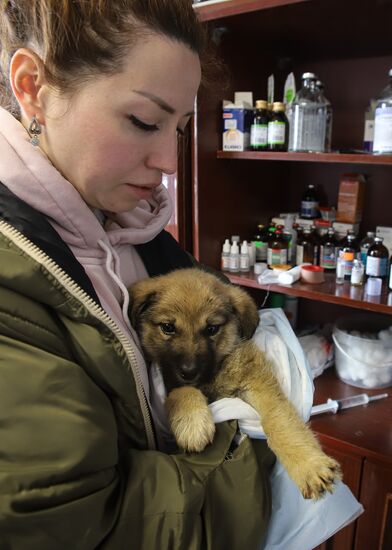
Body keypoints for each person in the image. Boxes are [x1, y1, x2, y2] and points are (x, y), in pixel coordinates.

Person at [0, 1, 275, 548]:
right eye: (144, 122)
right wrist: (255, 449)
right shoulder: (15, 288)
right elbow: (86, 528)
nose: (171, 161)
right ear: (33, 87)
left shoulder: (138, 232)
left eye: (180, 127)